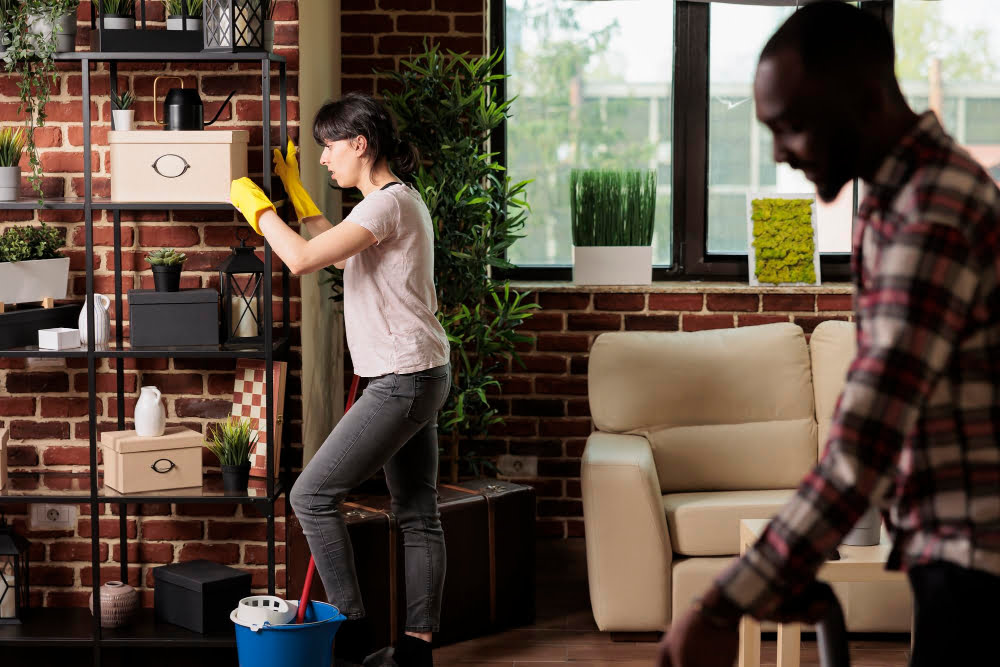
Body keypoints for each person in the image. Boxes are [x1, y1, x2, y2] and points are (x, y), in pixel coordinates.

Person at [658, 3, 1000, 666]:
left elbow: (865, 443)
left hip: (977, 559)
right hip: (954, 552)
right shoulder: (891, 196)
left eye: (793, 125)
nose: (780, 153)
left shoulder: (933, 211)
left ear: (868, 99)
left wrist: (722, 604)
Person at [230, 92, 452, 667]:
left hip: (402, 379)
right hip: (419, 371)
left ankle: (351, 636)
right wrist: (299, 196)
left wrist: (257, 210)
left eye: (330, 146)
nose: (324, 158)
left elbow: (302, 260)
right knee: (417, 513)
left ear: (360, 144)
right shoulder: (390, 204)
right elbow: (333, 251)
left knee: (311, 493)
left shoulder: (385, 206)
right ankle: (415, 652)